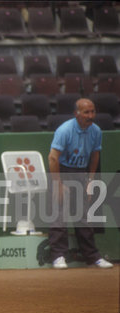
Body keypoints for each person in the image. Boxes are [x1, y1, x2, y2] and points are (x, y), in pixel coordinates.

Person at [48, 98, 113, 269]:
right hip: (62, 171)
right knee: (59, 216)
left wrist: (90, 180)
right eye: (86, 112)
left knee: (83, 217)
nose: (90, 115)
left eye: (92, 111)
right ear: (77, 114)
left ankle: (92, 257)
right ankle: (58, 256)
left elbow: (95, 155)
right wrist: (58, 184)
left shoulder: (96, 131)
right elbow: (53, 157)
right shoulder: (65, 130)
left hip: (81, 173)